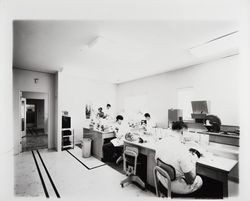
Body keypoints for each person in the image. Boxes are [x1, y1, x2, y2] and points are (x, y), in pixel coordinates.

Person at [155, 121, 203, 196]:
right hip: (175, 187)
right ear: (182, 131)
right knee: (199, 180)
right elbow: (190, 180)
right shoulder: (182, 148)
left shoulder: (160, 142)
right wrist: (193, 160)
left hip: (162, 182)